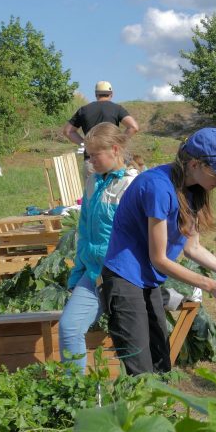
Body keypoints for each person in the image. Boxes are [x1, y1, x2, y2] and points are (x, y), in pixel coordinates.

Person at [100, 128, 216, 374]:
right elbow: (159, 259)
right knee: (141, 371)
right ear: (194, 164)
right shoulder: (158, 187)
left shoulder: (193, 190)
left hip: (147, 281)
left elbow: (193, 248)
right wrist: (212, 286)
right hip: (125, 279)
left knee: (161, 363)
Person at [58, 123, 136, 372]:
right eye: (88, 156)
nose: (91, 161)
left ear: (115, 149)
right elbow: (85, 232)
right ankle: (75, 393)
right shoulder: (92, 182)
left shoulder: (132, 186)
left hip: (123, 278)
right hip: (93, 275)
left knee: (131, 342)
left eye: (95, 155)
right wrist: (79, 272)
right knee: (69, 327)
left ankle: (140, 394)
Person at [63, 81, 140, 178]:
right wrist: (119, 142)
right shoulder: (116, 108)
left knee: (93, 193)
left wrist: (85, 143)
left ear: (96, 94)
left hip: (92, 160)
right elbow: (133, 127)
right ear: (111, 94)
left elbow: (68, 131)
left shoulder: (84, 110)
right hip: (112, 160)